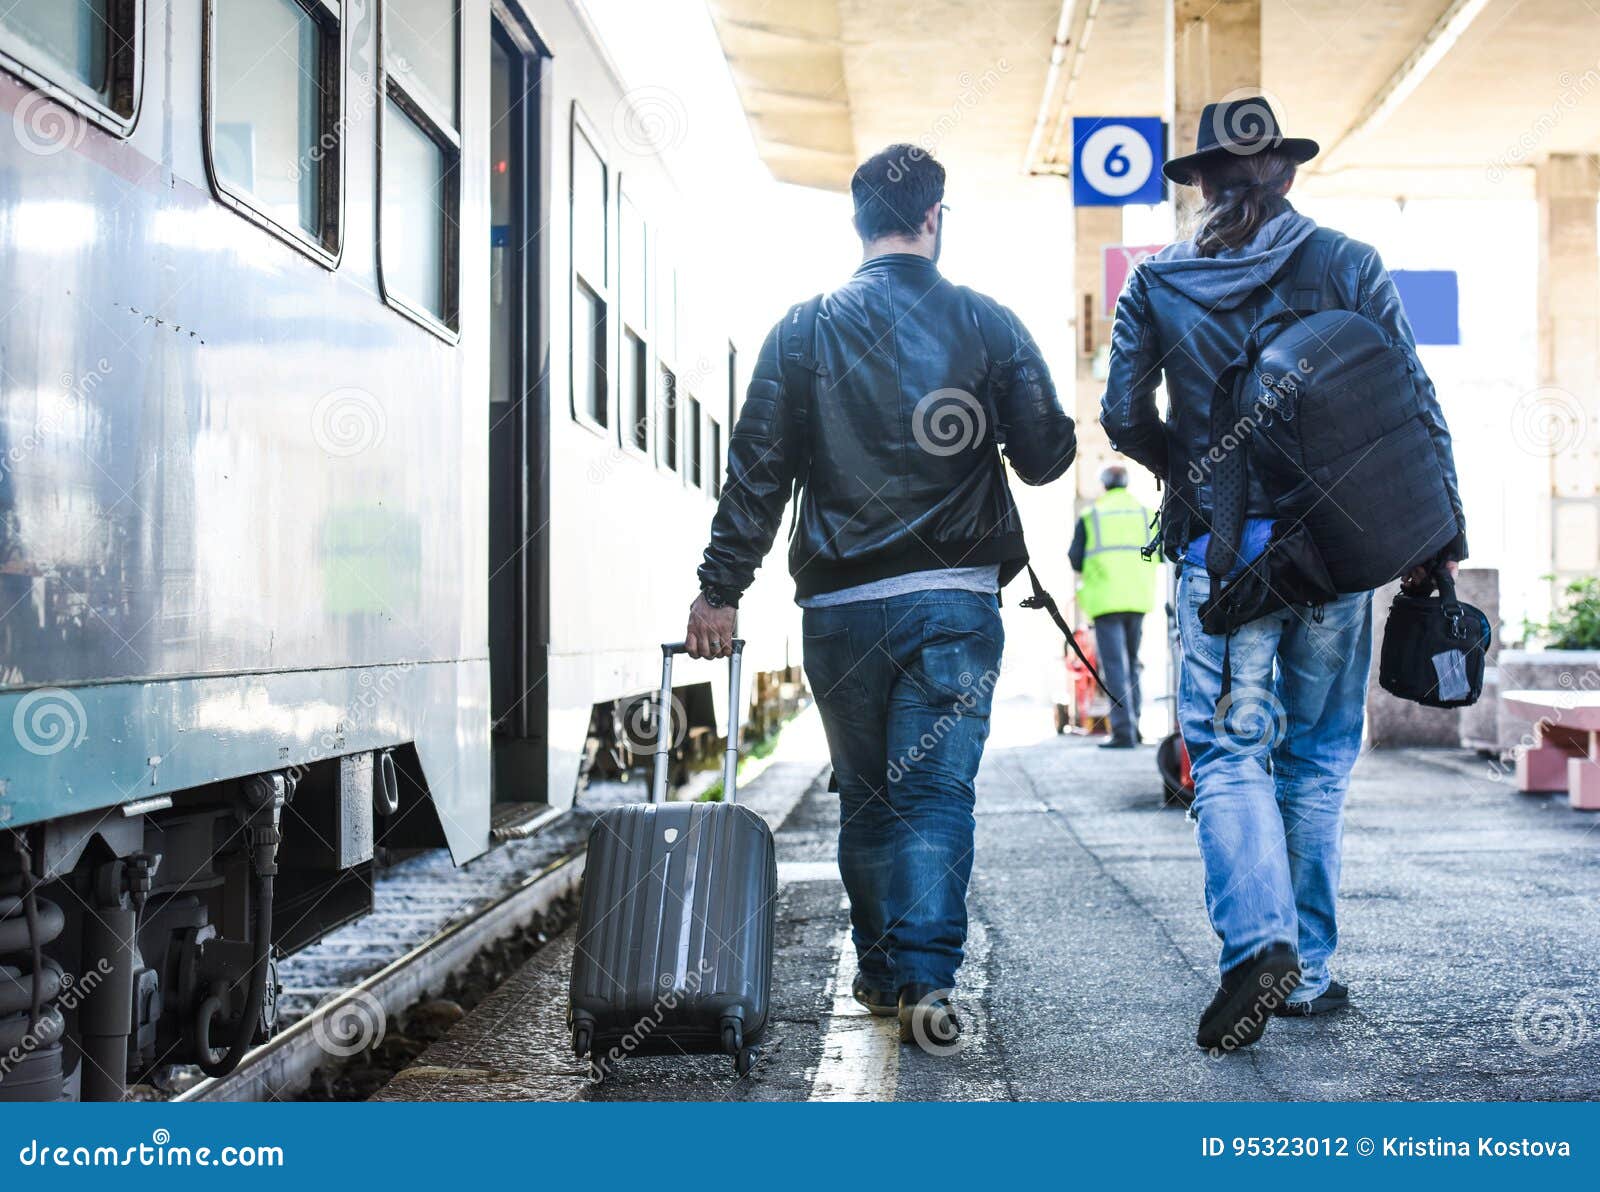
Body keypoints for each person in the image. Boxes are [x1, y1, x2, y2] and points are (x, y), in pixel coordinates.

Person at [684, 144, 1076, 1050]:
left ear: (858, 222)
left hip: (844, 611)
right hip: (952, 606)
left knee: (866, 796)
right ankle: (927, 982)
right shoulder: (986, 322)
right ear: (935, 218)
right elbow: (1047, 457)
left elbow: (758, 475)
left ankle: (876, 967)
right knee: (936, 794)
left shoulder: (804, 328)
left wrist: (720, 589)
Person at [1099, 99, 1467, 1050]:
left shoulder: (1159, 281)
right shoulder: (1347, 263)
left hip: (1221, 561)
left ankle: (1257, 945)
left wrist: (1190, 472)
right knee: (1315, 761)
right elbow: (1410, 401)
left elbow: (1122, 416)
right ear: (1288, 175)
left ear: (1202, 185)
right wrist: (1439, 531)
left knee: (1227, 754)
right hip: (1334, 555)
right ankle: (1305, 974)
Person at [1069, 465, 1157, 748]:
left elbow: (1075, 559)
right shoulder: (1146, 514)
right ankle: (1135, 727)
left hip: (1106, 601)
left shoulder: (1091, 515)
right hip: (1138, 598)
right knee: (1132, 664)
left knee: (1115, 668)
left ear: (1103, 485)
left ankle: (1123, 733)